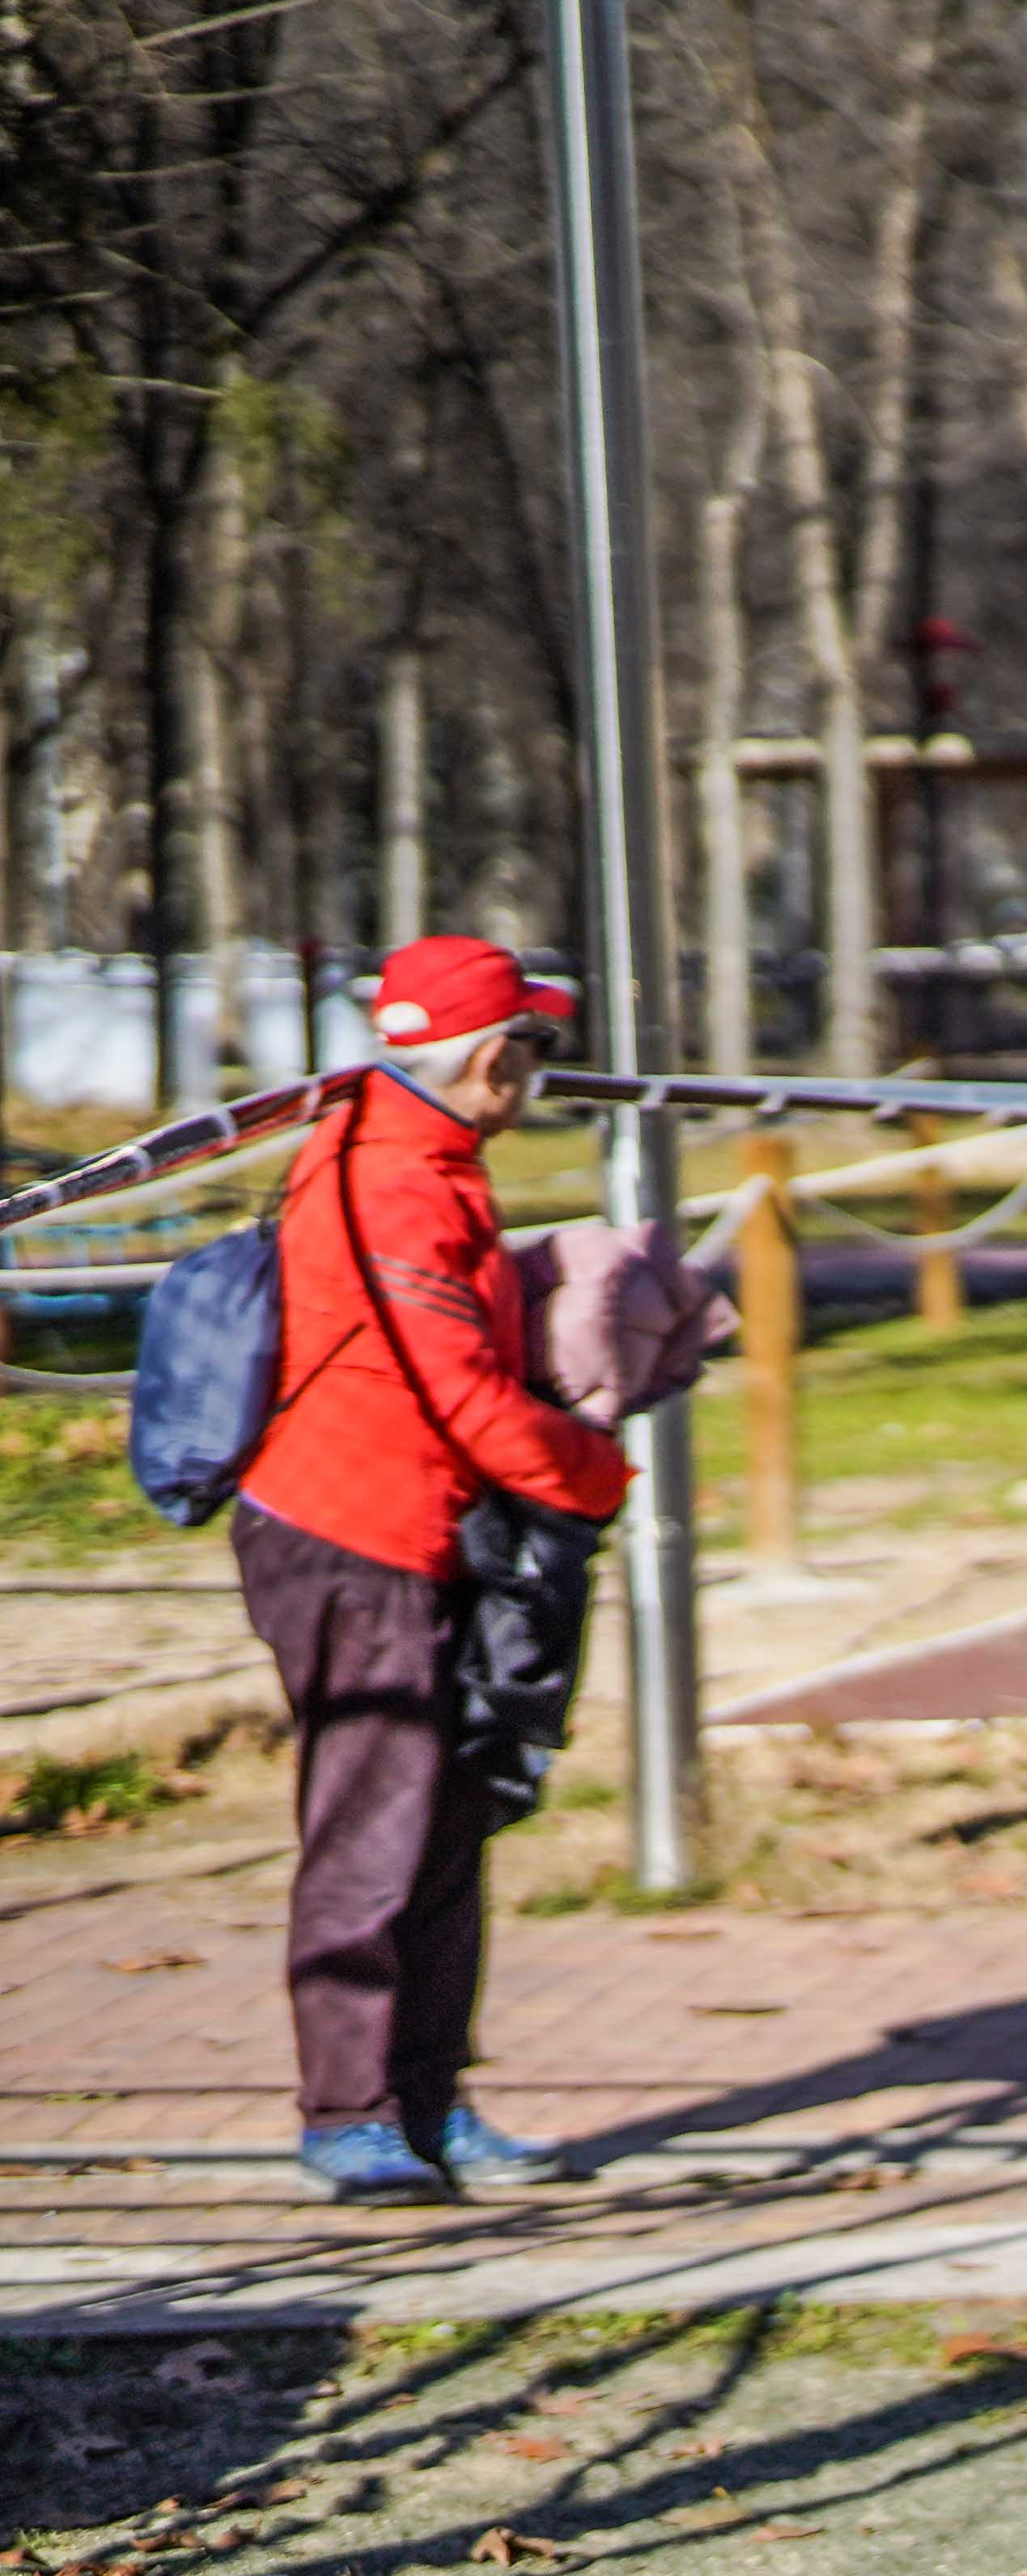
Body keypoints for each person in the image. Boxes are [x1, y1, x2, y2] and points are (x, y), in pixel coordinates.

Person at [237, 937, 635, 2207]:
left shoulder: (430, 1160)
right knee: (372, 1827)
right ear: (483, 1056)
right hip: (354, 1536)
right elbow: (445, 1380)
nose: (534, 1076)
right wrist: (591, 1474)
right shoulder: (386, 1175)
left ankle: (428, 2100)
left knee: (446, 1829)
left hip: (437, 1534)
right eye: (531, 1049)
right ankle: (346, 2113)